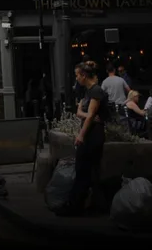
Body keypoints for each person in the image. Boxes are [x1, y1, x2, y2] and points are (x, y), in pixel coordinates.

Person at [56, 61, 109, 216]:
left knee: (83, 170)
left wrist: (81, 135)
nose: (76, 78)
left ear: (84, 75)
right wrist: (85, 115)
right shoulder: (89, 91)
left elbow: (91, 115)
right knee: (87, 171)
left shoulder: (96, 91)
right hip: (91, 131)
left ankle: (75, 206)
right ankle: (90, 205)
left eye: (77, 75)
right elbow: (81, 112)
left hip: (93, 135)